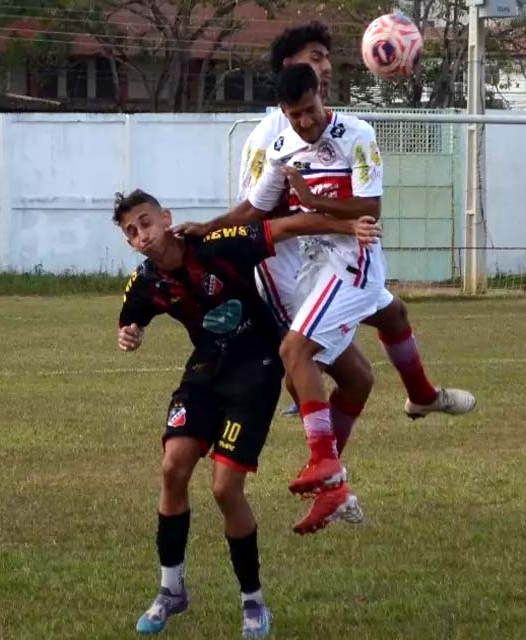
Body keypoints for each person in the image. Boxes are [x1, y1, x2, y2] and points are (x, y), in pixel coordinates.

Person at [178, 22, 475, 425]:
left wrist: (339, 222)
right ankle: (323, 461)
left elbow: (361, 200)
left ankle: (420, 396)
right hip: (287, 271)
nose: (328, 66)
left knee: (394, 315)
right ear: (289, 67)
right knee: (352, 375)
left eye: (328, 57)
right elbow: (255, 212)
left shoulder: (339, 127)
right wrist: (214, 230)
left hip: (331, 259)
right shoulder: (272, 136)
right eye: (316, 57)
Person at [113, 190, 379, 636]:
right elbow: (130, 319)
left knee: (224, 488)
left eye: (146, 222)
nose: (143, 234)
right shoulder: (145, 282)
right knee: (173, 468)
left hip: (256, 369)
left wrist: (347, 226)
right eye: (132, 232)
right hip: (205, 370)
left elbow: (287, 226)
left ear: (167, 218)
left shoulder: (219, 244)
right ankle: (171, 591)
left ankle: (252, 601)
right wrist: (130, 334)